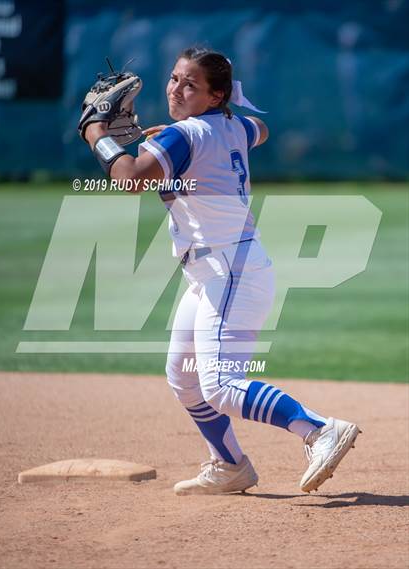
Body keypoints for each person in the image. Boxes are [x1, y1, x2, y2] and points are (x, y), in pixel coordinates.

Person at [83, 47, 360, 495]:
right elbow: (261, 129)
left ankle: (319, 429)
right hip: (216, 271)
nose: (175, 88)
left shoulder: (185, 135)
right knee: (184, 376)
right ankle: (230, 465)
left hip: (228, 269)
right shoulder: (233, 125)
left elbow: (129, 178)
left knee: (221, 386)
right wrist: (206, 127)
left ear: (216, 96)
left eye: (190, 84)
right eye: (174, 79)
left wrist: (97, 133)